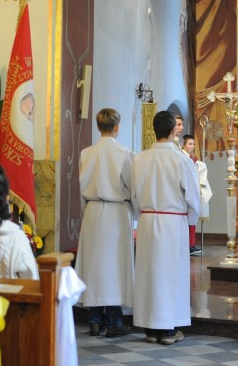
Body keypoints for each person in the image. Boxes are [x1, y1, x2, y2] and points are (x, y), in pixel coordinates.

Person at [132, 111, 200, 345]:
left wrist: (140, 215)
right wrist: (190, 221)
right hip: (173, 222)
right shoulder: (181, 160)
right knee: (171, 275)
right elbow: (193, 196)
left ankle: (151, 329)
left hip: (148, 221)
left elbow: (133, 196)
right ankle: (169, 330)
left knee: (150, 274)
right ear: (173, 131)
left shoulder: (139, 158)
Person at [75, 108, 134, 338]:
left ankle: (94, 320)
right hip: (117, 213)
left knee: (94, 266)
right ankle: (114, 321)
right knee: (115, 267)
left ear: (99, 127)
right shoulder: (124, 153)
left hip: (92, 212)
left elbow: (81, 190)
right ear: (117, 127)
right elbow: (131, 187)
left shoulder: (86, 153)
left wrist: (86, 212)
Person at [182, 134, 212, 257]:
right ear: (183, 145)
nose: (192, 147)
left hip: (193, 191)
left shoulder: (194, 160)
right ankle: (187, 245)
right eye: (189, 144)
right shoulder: (183, 158)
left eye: (193, 144)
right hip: (186, 192)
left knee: (192, 219)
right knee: (187, 219)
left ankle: (191, 244)